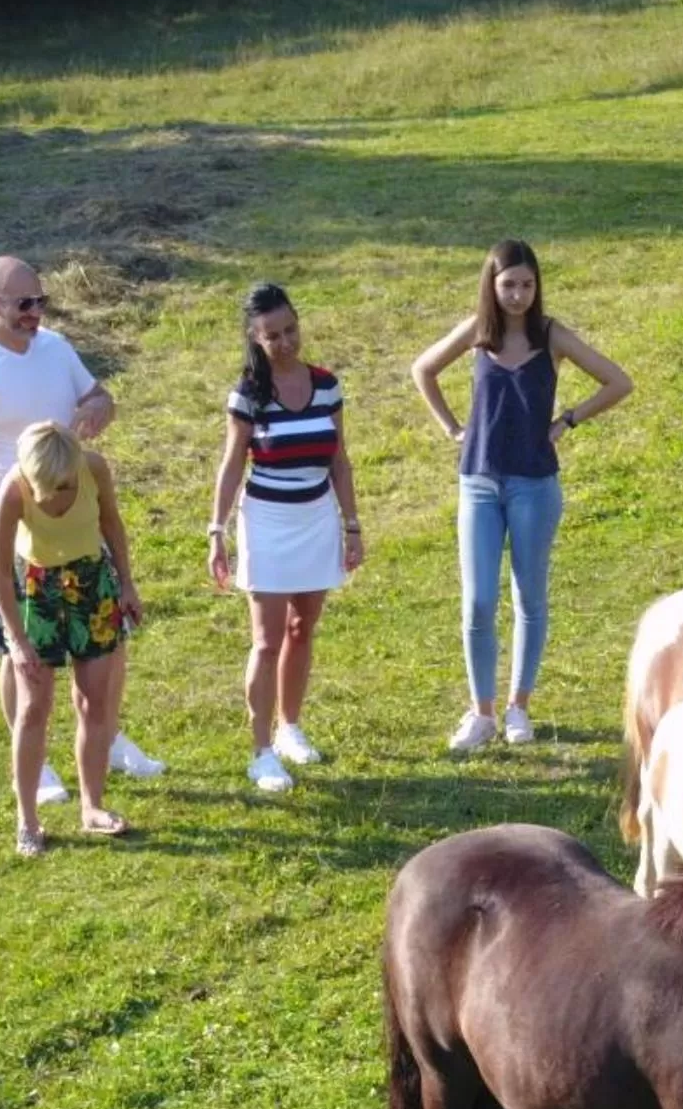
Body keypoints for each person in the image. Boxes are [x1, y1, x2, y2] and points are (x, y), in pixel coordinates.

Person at [0, 255, 165, 805]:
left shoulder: (56, 348)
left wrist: (99, 408)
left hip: (78, 522)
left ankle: (105, 739)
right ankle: (35, 769)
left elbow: (96, 394)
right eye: (24, 304)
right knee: (22, 656)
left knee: (106, 640)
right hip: (11, 532)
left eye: (41, 301)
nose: (36, 312)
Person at [410, 239, 633, 752]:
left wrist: (568, 420)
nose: (518, 295)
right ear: (491, 285)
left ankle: (518, 707)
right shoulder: (477, 333)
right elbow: (423, 369)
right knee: (479, 601)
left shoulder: (551, 334)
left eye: (527, 285)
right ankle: (481, 712)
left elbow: (618, 381)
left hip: (534, 483)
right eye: (508, 284)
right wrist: (451, 428)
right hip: (480, 482)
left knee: (529, 597)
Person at [208, 283, 363, 794]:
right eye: (272, 335)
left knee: (303, 628)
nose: (286, 341)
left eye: (290, 329)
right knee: (267, 640)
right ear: (255, 339)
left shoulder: (326, 384)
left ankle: (290, 725)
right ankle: (261, 750)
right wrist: (218, 530)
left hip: (316, 516)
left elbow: (339, 459)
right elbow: (233, 465)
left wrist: (351, 525)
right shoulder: (248, 395)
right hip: (267, 522)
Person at [0, 423, 142, 854]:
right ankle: (28, 820)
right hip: (37, 595)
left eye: (67, 481)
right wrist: (17, 640)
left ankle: (92, 807)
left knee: (94, 703)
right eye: (53, 485)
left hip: (93, 587)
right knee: (33, 708)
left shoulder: (94, 469)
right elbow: (1, 571)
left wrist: (127, 585)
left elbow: (112, 524)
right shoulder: (15, 490)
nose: (61, 490)